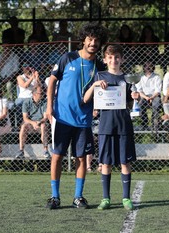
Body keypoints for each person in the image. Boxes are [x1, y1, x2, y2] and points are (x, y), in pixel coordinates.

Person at [45, 22, 108, 209]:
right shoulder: (67, 58)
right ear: (84, 40)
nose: (93, 43)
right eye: (90, 39)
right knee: (57, 156)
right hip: (62, 117)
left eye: (97, 40)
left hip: (83, 120)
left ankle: (78, 197)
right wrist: (49, 107)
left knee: (81, 158)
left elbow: (104, 89)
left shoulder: (100, 65)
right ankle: (55, 197)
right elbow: (52, 83)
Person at [83, 44, 136, 210]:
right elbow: (85, 98)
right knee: (105, 162)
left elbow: (128, 104)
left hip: (123, 125)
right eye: (110, 57)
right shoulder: (99, 75)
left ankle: (126, 198)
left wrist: (134, 98)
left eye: (117, 57)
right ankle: (105, 198)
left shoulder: (127, 79)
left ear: (122, 59)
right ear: (105, 59)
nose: (114, 60)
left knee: (125, 162)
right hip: (106, 125)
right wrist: (95, 85)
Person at [15, 86, 50, 159]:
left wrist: (39, 122)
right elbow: (25, 118)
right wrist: (33, 123)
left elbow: (45, 117)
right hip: (30, 124)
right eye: (40, 93)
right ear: (34, 94)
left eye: (42, 93)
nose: (42, 95)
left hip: (41, 123)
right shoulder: (27, 102)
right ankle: (21, 150)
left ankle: (45, 150)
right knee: (23, 126)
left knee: (43, 126)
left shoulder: (45, 102)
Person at [133, 61, 162, 131]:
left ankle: (154, 124)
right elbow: (139, 90)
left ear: (153, 67)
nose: (148, 68)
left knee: (156, 103)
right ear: (144, 68)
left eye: (150, 66)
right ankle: (144, 124)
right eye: (146, 66)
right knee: (140, 103)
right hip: (144, 96)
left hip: (154, 96)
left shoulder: (157, 77)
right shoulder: (140, 77)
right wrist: (146, 97)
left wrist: (152, 97)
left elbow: (158, 91)